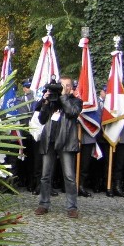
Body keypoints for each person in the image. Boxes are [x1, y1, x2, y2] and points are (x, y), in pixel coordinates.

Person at [33, 75, 81, 217]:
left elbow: (72, 112)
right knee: (45, 175)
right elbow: (41, 120)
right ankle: (43, 204)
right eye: (61, 85)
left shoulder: (76, 101)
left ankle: (72, 207)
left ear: (71, 88)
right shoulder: (52, 101)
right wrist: (46, 102)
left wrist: (63, 97)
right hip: (49, 141)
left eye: (67, 85)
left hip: (66, 142)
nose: (64, 88)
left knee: (69, 176)